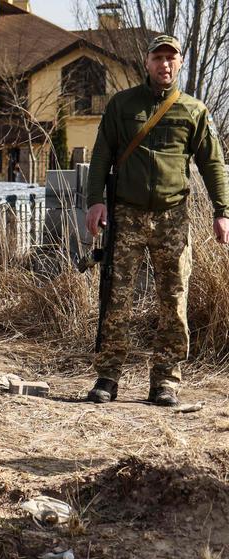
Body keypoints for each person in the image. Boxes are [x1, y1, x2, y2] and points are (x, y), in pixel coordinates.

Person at [84, 34, 229, 406]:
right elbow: (102, 153)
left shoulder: (193, 111)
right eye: (158, 58)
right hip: (126, 215)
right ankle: (108, 376)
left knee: (173, 298)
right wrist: (95, 202)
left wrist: (222, 212)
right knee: (117, 298)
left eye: (171, 58)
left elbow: (213, 164)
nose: (164, 64)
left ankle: (166, 381)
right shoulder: (122, 105)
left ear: (179, 63)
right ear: (146, 63)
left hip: (173, 217)